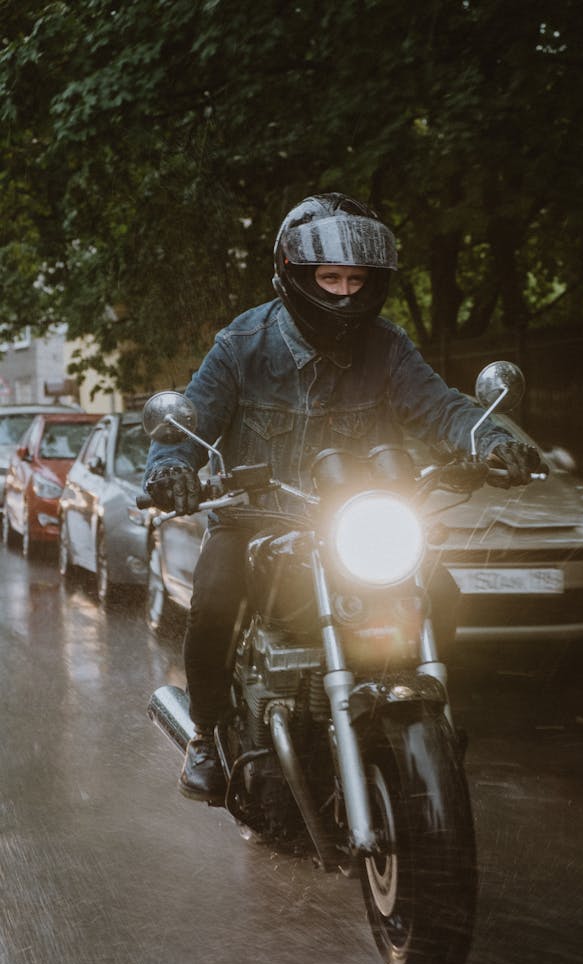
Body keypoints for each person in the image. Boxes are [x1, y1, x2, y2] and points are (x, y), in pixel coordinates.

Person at [143, 192, 543, 802]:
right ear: (294, 276)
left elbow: (443, 409)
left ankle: (425, 718)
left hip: (360, 519)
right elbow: (184, 427)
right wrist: (172, 472)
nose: (345, 294)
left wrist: (492, 438)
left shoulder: (386, 346)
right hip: (258, 516)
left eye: (358, 279)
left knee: (443, 594)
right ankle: (208, 732)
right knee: (215, 601)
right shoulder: (242, 344)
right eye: (329, 277)